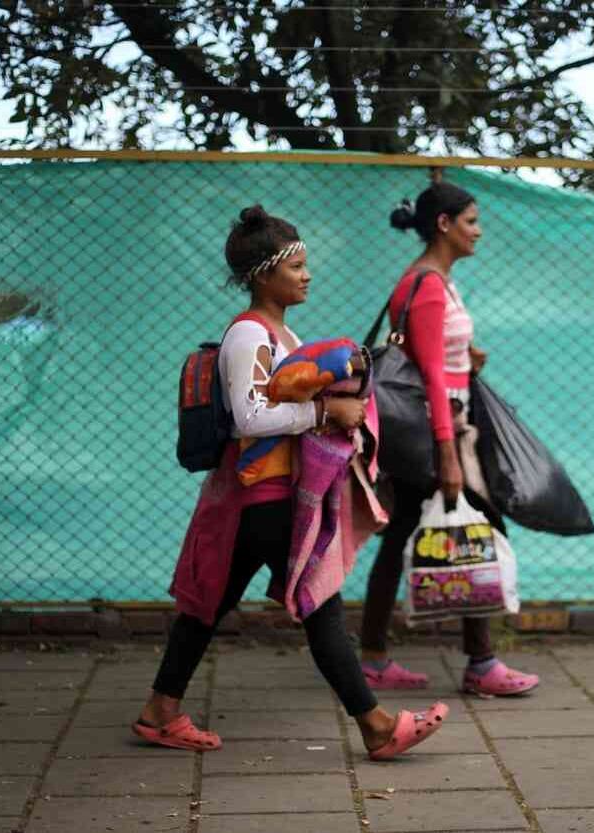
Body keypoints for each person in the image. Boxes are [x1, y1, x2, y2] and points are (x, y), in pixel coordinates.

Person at [134, 205, 447, 758]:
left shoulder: (281, 331)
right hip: (258, 499)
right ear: (263, 274)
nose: (307, 275)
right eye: (296, 266)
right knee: (319, 605)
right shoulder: (247, 336)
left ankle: (161, 710)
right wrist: (327, 417)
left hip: (263, 497)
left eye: (306, 265)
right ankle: (375, 725)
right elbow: (247, 418)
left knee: (207, 608)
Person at [360, 183, 540, 696]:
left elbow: (431, 354)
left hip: (438, 423)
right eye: (471, 221)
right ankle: (481, 664)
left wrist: (470, 355)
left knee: (399, 539)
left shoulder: (436, 280)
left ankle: (373, 657)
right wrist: (448, 457)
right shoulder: (428, 284)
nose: (478, 231)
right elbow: (433, 376)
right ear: (444, 224)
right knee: (480, 524)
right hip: (440, 430)